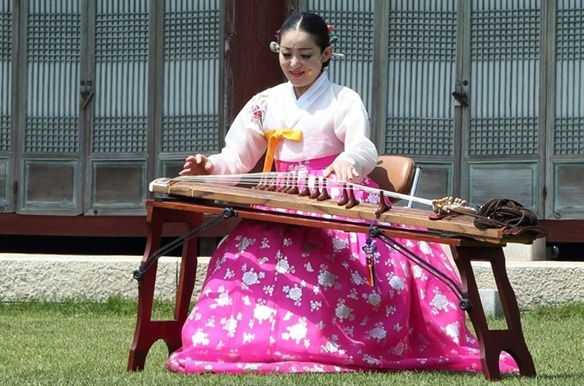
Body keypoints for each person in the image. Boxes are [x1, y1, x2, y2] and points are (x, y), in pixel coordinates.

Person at [167, 12, 517, 374]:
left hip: (335, 196)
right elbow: (236, 160)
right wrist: (208, 167)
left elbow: (364, 148)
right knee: (238, 260)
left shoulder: (342, 99)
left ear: (326, 54)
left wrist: (348, 161)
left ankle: (327, 340)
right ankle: (245, 341)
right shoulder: (265, 103)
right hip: (279, 201)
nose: (294, 63)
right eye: (286, 54)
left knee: (341, 267)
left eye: (305, 54)